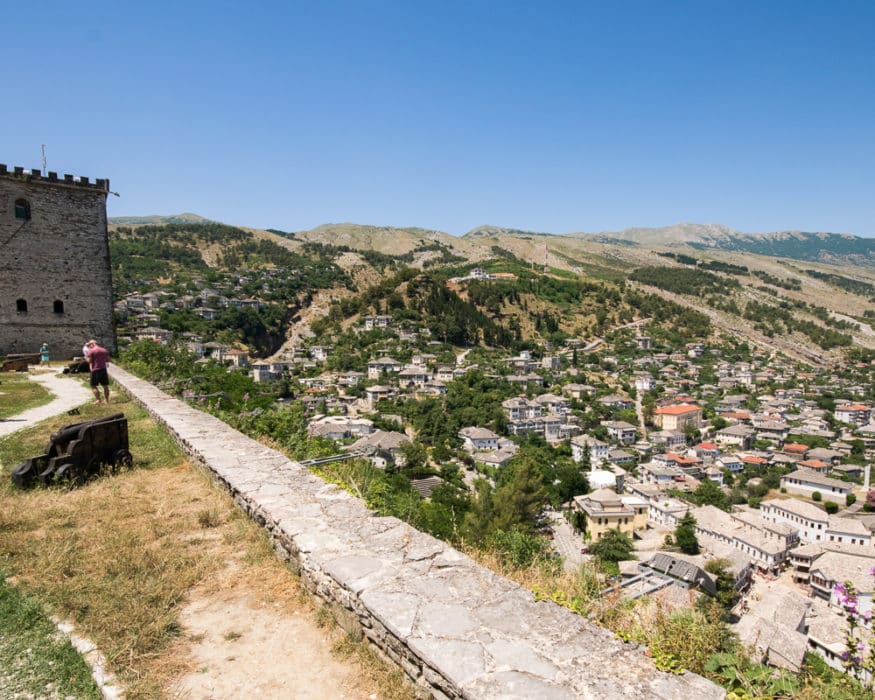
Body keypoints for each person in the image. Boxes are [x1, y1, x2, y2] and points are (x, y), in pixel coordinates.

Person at [86, 340, 111, 404]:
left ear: (92, 344)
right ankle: (107, 400)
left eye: (89, 345)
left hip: (95, 370)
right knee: (105, 386)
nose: (89, 346)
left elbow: (89, 361)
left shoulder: (91, 351)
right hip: (103, 369)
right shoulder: (104, 350)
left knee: (93, 385)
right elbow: (108, 359)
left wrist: (86, 358)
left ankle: (98, 400)